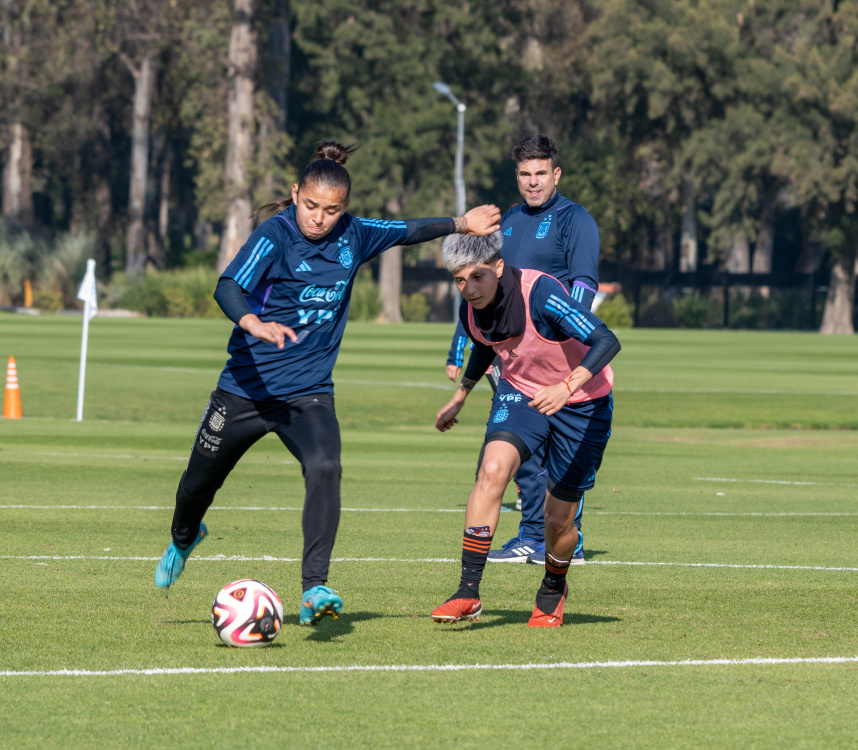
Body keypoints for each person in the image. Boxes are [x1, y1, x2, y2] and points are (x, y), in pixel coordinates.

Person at [154, 140, 501, 626]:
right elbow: (228, 286)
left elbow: (406, 230)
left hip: (308, 393)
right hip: (245, 389)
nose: (318, 218)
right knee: (195, 486)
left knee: (326, 465)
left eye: (331, 210)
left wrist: (462, 224)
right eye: (311, 206)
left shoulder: (355, 236)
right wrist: (254, 323)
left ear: (344, 209)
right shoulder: (274, 236)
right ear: (296, 194)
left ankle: (314, 586)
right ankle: (185, 536)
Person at [432, 230, 619, 627]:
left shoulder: (540, 293)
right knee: (492, 470)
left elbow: (606, 339)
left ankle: (553, 586)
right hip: (522, 394)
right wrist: (461, 395)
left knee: (557, 520)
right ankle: (468, 592)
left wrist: (567, 386)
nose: (469, 288)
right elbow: (487, 344)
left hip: (584, 402)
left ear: (499, 267)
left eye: (478, 277)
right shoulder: (471, 309)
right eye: (459, 280)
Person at [444, 134, 600, 566]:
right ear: (517, 177)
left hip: (558, 356)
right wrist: (463, 347)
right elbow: (477, 285)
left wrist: (569, 341)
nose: (533, 182)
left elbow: (585, 283)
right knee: (518, 449)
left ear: (556, 174)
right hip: (512, 357)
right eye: (525, 174)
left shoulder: (576, 219)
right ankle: (532, 535)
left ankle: (568, 539)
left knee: (558, 454)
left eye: (541, 174)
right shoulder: (508, 219)